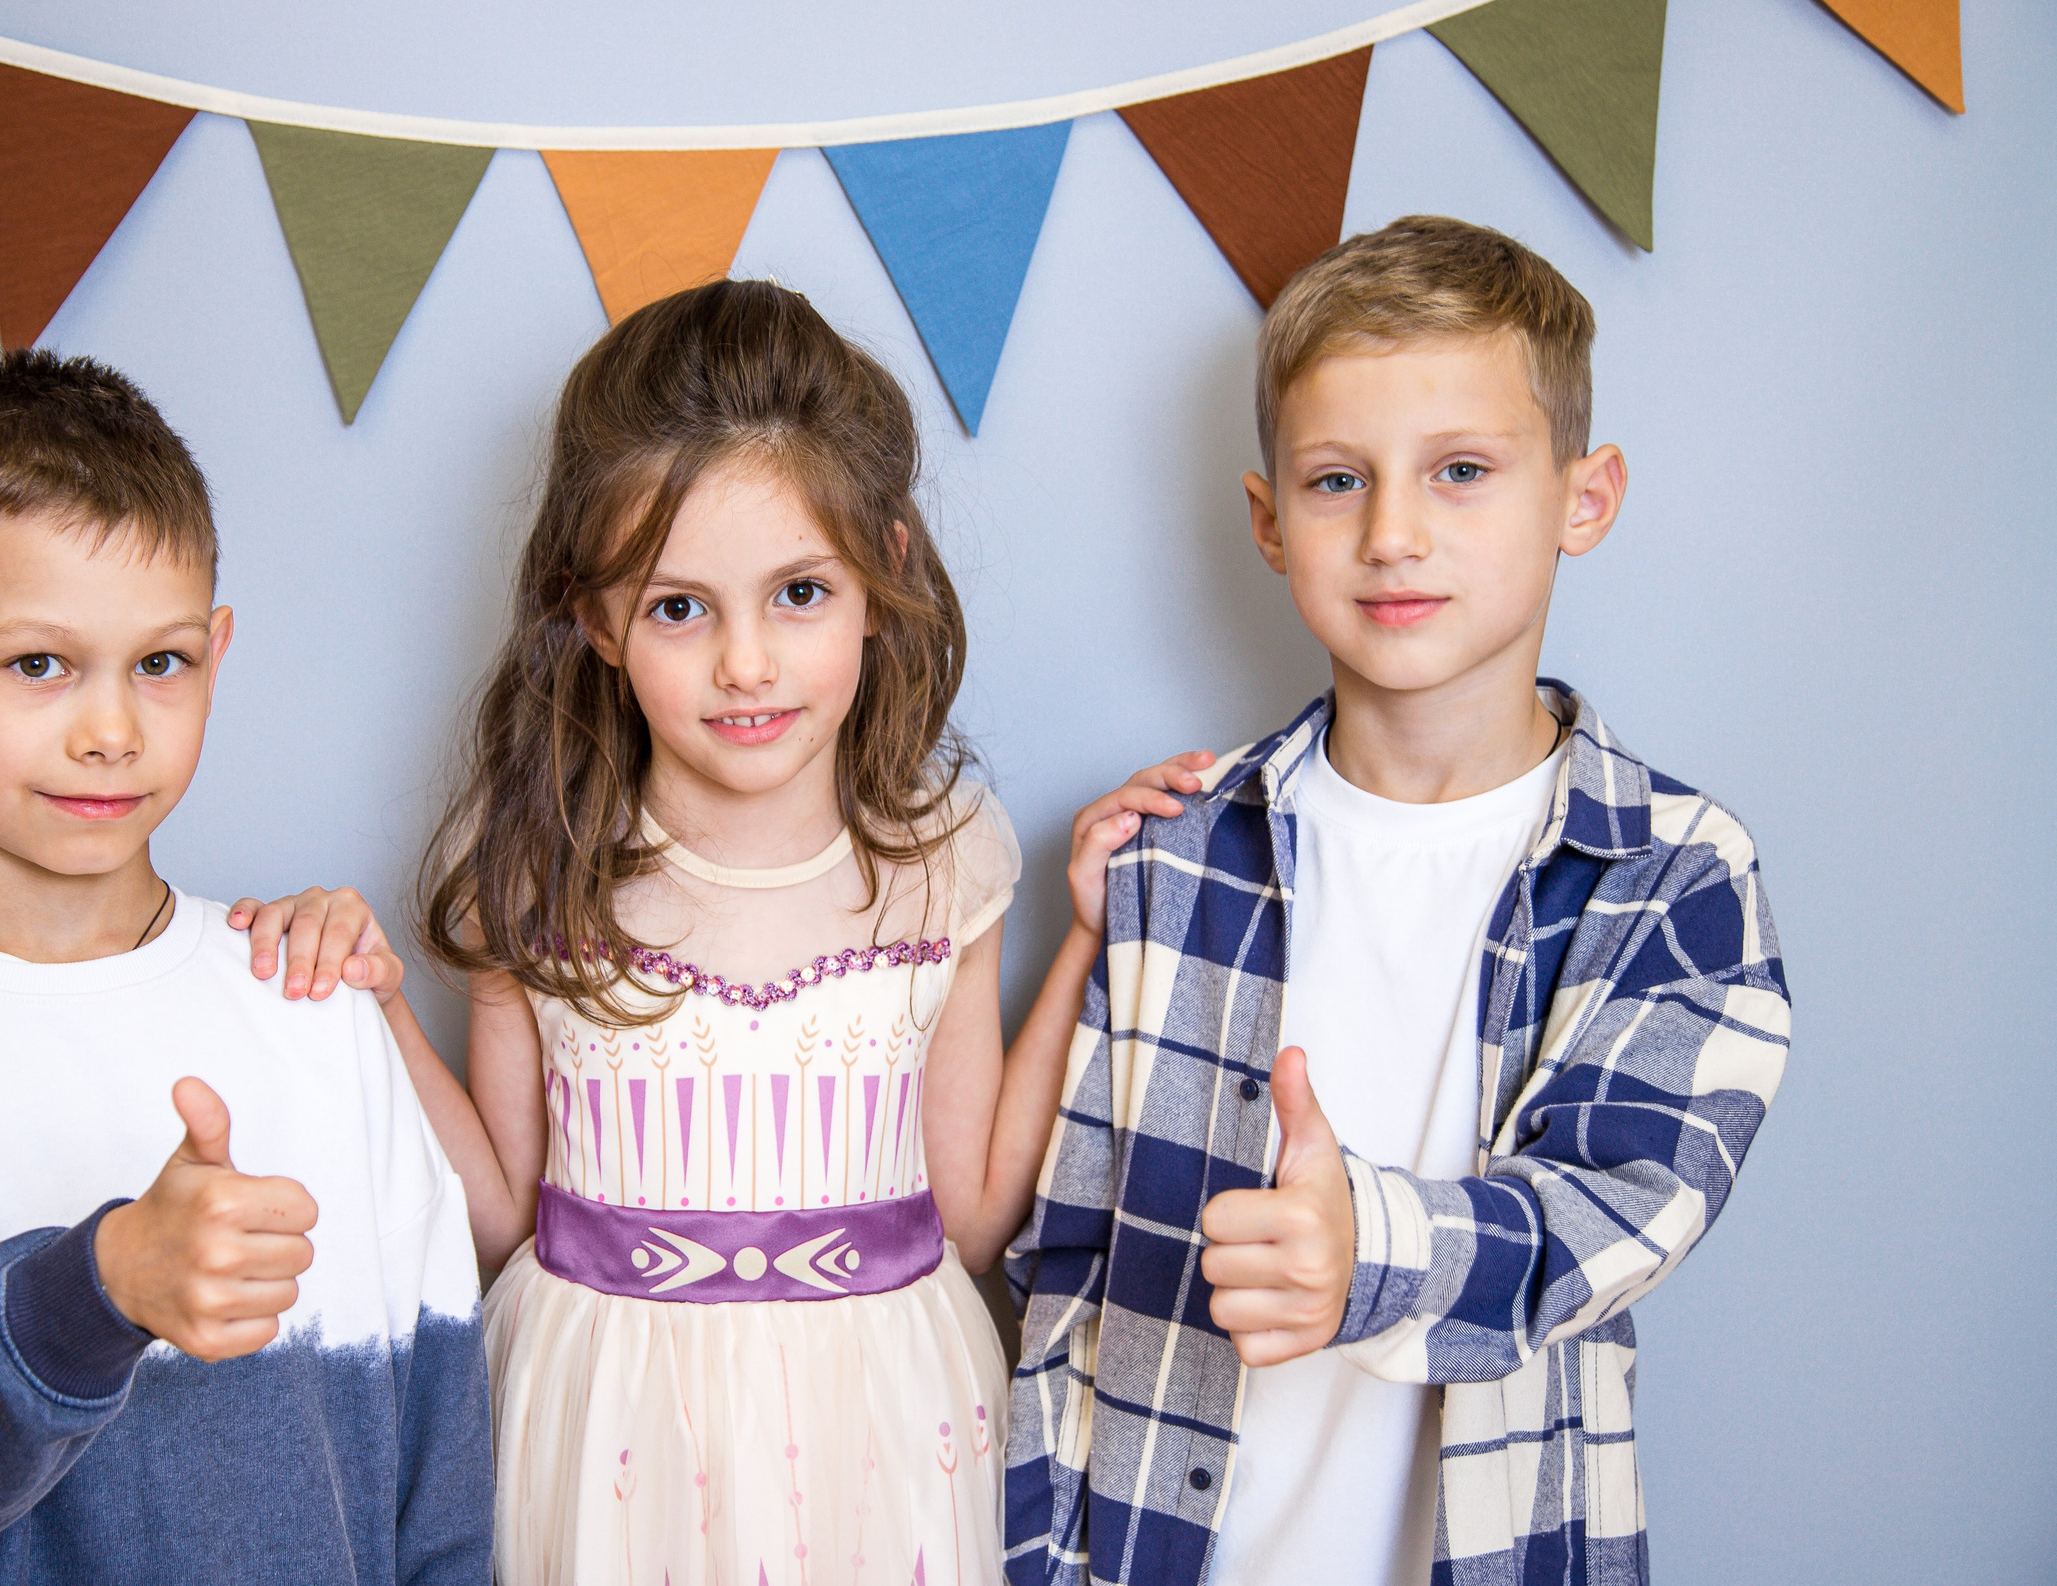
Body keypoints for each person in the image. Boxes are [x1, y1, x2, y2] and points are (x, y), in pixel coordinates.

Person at [234, 279, 1207, 1583]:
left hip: (884, 1426)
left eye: (799, 591)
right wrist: (375, 1000)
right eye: (679, 607)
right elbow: (501, 1217)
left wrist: (1085, 938)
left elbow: (972, 1215)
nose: (746, 662)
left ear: (884, 574)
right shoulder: (536, 868)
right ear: (593, 616)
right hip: (605, 1425)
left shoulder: (947, 861)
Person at [1004, 216, 1793, 1586]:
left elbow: (1620, 1209)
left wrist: (1362, 1247)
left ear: (1584, 498)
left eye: (1461, 471)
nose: (1393, 534)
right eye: (1336, 481)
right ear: (1269, 520)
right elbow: (1071, 1265)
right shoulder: (1175, 857)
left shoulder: (1674, 873)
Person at [0, 349, 492, 1585]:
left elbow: (438, 1456)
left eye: (160, 663)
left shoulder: (309, 998)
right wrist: (105, 1286)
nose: (113, 730)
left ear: (215, 656)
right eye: (39, 664)